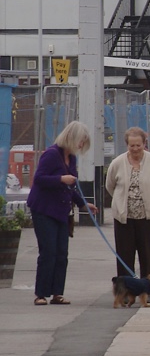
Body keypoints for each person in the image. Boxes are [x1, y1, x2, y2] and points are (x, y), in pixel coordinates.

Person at [27, 120, 98, 305]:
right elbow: (39, 179)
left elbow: (71, 187)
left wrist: (83, 204)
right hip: (44, 210)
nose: (81, 145)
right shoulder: (51, 154)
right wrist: (60, 179)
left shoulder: (71, 158)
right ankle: (41, 294)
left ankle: (57, 292)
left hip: (61, 211)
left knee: (62, 252)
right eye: (80, 141)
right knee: (48, 251)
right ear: (72, 137)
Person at [104, 127, 150, 279]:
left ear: (144, 144)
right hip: (124, 218)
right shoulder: (117, 163)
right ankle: (126, 290)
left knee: (147, 255)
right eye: (131, 145)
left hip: (147, 217)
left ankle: (148, 288)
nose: (135, 149)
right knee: (124, 255)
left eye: (138, 145)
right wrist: (121, 201)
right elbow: (110, 185)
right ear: (127, 145)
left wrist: (148, 198)